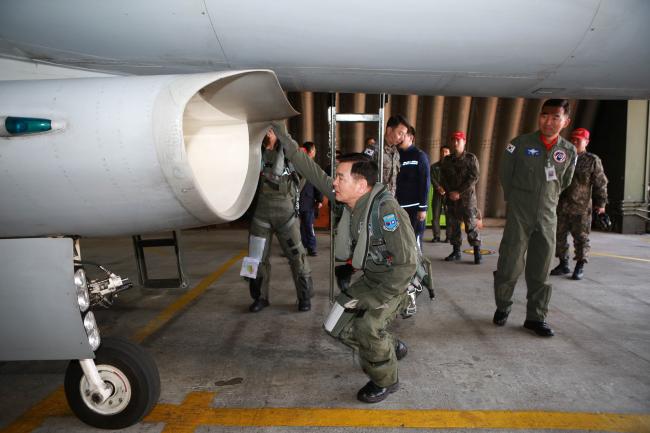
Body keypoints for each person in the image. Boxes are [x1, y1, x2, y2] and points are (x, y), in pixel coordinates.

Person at [270, 124, 418, 404]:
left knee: (367, 327)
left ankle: (386, 379)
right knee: (334, 326)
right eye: (335, 177)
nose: (334, 183)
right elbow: (311, 170)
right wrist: (283, 137)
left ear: (361, 185)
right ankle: (388, 348)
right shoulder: (348, 199)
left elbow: (407, 264)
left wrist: (374, 299)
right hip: (374, 277)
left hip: (398, 281)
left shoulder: (386, 212)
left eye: (340, 177)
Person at [493, 99, 577, 337]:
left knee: (541, 268)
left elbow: (564, 183)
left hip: (548, 216)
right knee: (510, 263)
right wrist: (518, 200)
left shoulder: (568, 151)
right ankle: (503, 306)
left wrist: (546, 201)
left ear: (565, 121)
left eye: (555, 118)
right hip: (520, 212)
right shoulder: (519, 144)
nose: (548, 122)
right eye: (544, 116)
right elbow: (505, 175)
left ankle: (535, 317)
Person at [245, 130, 314, 313]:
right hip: (260, 214)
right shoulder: (253, 151)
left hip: (286, 215)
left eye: (271, 126)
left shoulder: (290, 151)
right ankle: (260, 298)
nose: (268, 130)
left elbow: (304, 173)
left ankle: (304, 298)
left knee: (297, 257)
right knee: (255, 258)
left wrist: (291, 194)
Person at [550, 128, 608, 280]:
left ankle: (580, 265)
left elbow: (600, 183)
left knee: (581, 238)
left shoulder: (592, 160)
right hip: (562, 206)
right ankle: (563, 264)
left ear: (586, 142)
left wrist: (601, 204)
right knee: (559, 236)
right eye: (573, 139)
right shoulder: (563, 157)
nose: (575, 141)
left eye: (579, 139)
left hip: (581, 207)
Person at [439, 131, 482, 264]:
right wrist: (450, 192)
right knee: (453, 225)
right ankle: (456, 251)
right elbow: (443, 178)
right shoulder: (447, 160)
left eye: (458, 140)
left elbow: (474, 177)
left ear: (464, 141)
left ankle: (477, 252)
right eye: (454, 140)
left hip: (467, 200)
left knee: (471, 225)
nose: (456, 143)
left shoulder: (471, 158)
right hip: (452, 199)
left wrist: (459, 192)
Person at [396, 126, 430, 250]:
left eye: (403, 135)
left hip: (414, 208)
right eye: (399, 135)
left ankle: (418, 268)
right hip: (398, 206)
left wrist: (423, 208)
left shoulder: (420, 156)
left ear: (411, 138)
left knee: (414, 242)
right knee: (401, 242)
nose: (399, 138)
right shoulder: (396, 155)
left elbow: (425, 183)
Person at [363, 115, 410, 196]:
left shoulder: (396, 153)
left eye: (404, 135)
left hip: (389, 200)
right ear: (389, 130)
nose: (402, 138)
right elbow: (362, 176)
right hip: (374, 200)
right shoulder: (374, 150)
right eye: (400, 133)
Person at [298, 141, 323, 256]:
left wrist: (319, 200)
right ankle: (303, 247)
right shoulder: (300, 165)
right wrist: (319, 200)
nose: (315, 152)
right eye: (314, 150)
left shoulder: (301, 164)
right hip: (304, 200)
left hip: (306, 201)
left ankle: (311, 247)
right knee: (303, 226)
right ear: (311, 151)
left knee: (307, 225)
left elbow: (317, 184)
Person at [429, 146, 452, 242]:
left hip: (448, 194)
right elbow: (432, 178)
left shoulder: (453, 167)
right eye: (442, 152)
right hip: (437, 194)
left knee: (449, 216)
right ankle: (436, 236)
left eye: (446, 152)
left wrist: (447, 189)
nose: (444, 154)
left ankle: (449, 237)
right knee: (435, 216)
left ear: (449, 153)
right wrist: (438, 187)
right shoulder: (434, 166)